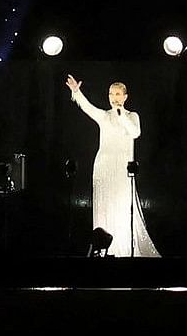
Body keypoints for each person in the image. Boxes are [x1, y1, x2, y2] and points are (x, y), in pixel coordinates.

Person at [63, 74, 158, 258]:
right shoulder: (104, 116)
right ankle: (102, 250)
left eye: (117, 94)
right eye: (111, 94)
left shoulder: (132, 116)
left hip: (122, 169)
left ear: (125, 97)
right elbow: (88, 108)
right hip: (104, 167)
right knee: (104, 207)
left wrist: (121, 114)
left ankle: (122, 248)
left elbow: (135, 132)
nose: (114, 97)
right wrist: (77, 92)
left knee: (122, 207)